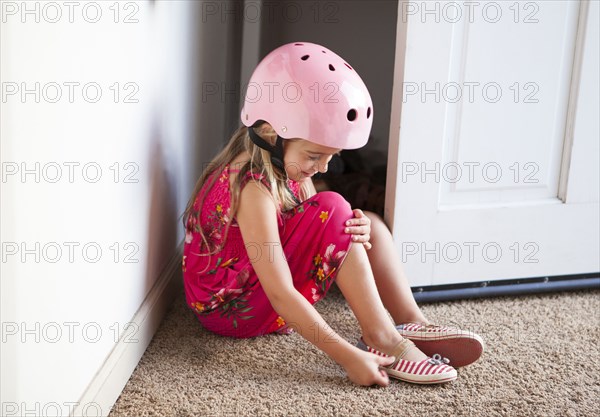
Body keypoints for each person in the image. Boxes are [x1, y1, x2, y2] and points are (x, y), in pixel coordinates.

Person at [182, 42, 484, 387]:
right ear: (271, 134)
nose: (323, 166)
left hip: (253, 287)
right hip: (231, 313)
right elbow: (280, 292)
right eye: (314, 155)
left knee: (365, 222)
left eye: (331, 156)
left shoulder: (283, 168)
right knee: (334, 207)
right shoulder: (252, 189)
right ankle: (381, 337)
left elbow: (309, 222)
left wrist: (353, 235)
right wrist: (347, 356)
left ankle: (409, 320)